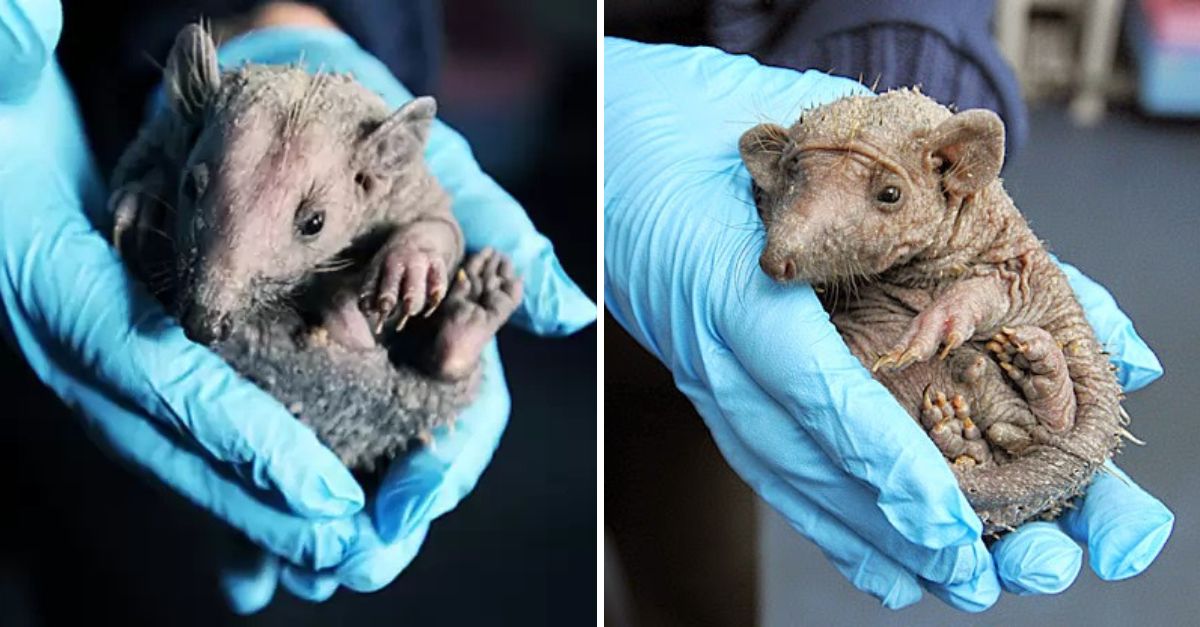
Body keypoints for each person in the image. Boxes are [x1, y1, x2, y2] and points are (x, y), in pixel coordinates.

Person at [0, 0, 594, 617]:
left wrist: (423, 249)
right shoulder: (196, 131)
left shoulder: (386, 184)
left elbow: (432, 221)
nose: (213, 301)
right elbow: (171, 159)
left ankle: (437, 360)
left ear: (376, 170)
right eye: (198, 181)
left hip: (351, 359)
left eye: (310, 221)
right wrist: (143, 182)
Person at [603, 36, 1173, 612]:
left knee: (693, 553)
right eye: (794, 181)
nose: (783, 250)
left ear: (956, 167)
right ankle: (1002, 433)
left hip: (970, 363)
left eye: (890, 193)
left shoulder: (977, 229)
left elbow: (1010, 283)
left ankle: (1039, 418)